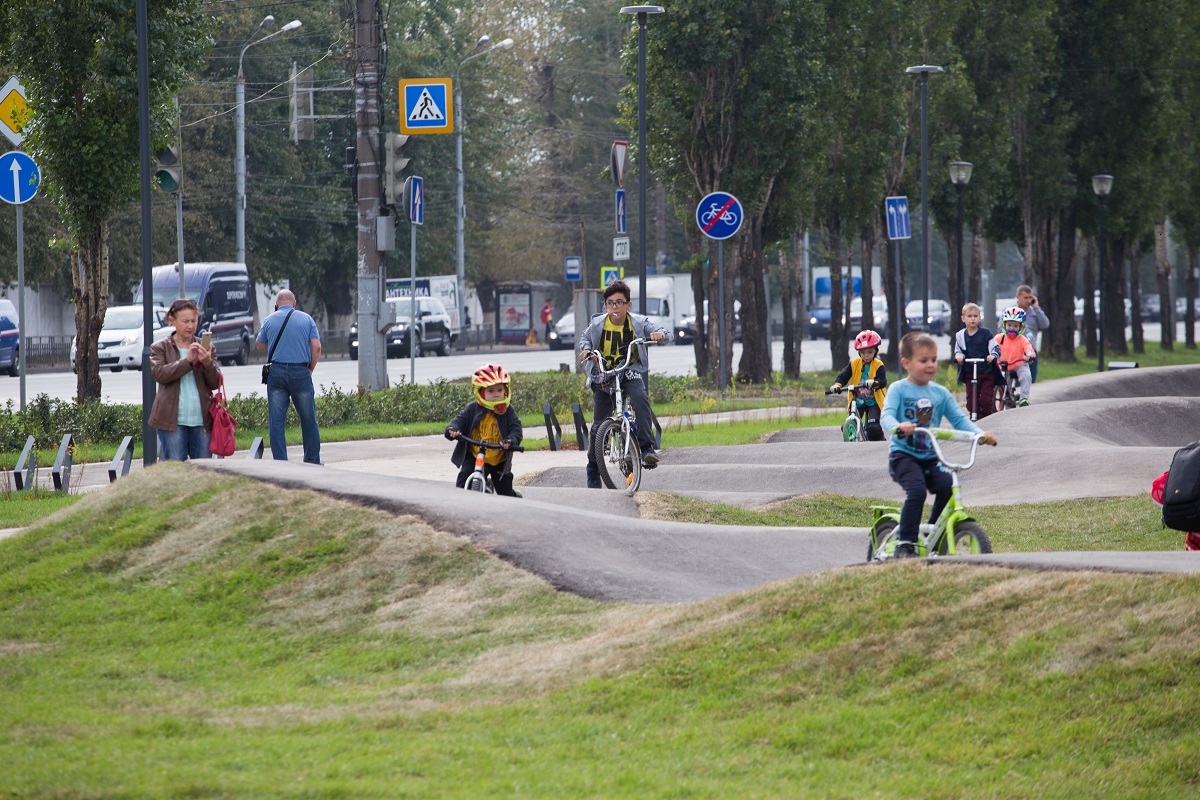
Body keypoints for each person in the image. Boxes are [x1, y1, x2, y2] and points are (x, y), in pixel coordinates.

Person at [881, 332, 998, 558]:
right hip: (903, 455)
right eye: (923, 360)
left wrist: (980, 434)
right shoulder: (898, 389)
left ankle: (932, 531)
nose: (930, 365)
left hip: (930, 456)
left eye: (933, 360)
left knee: (946, 487)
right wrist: (898, 426)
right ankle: (904, 543)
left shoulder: (940, 393)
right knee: (916, 492)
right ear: (906, 363)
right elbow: (886, 416)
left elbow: (960, 420)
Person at [579, 279, 672, 488]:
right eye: (610, 303)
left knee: (640, 398)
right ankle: (593, 468)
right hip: (604, 375)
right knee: (598, 426)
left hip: (629, 372)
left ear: (628, 305)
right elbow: (584, 339)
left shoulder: (638, 323)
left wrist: (659, 335)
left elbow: (667, 333)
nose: (614, 307)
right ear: (605, 306)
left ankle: (646, 448)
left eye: (619, 302)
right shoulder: (597, 324)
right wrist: (586, 350)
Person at [149, 298, 222, 461]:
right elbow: (160, 374)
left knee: (203, 471)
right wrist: (187, 361)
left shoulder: (206, 346)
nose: (190, 326)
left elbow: (215, 382)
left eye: (194, 321)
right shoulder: (160, 347)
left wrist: (207, 363)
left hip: (202, 420)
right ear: (172, 321)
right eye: (185, 321)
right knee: (175, 472)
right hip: (172, 421)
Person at [256, 290, 322, 464]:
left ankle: (280, 462)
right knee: (308, 418)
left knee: (276, 421)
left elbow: (260, 346)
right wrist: (310, 369)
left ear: (276, 305)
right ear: (294, 304)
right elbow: (316, 347)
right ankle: (312, 460)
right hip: (301, 372)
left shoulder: (269, 320)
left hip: (276, 373)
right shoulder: (307, 319)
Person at [445, 364, 524, 497]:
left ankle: (516, 496)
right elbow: (459, 420)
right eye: (491, 391)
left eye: (499, 390)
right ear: (480, 392)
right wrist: (452, 429)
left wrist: (510, 441)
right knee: (462, 483)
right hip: (475, 455)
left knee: (505, 494)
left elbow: (516, 429)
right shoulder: (472, 409)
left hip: (498, 459)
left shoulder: (508, 411)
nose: (496, 395)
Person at [829, 329, 888, 440]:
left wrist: (874, 383)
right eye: (863, 352)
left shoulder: (879, 365)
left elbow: (882, 381)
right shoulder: (854, 364)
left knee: (873, 428)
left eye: (870, 352)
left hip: (873, 401)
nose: (866, 355)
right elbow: (843, 376)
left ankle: (879, 439)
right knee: (850, 424)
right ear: (859, 352)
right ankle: (852, 439)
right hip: (857, 400)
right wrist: (837, 385)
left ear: (876, 351)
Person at [953, 302, 1000, 419]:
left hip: (986, 372)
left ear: (979, 317)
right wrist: (959, 357)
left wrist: (992, 355)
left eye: (975, 316)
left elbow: (995, 347)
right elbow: (958, 350)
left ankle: (987, 418)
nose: (972, 319)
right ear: (963, 318)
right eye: (969, 316)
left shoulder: (986, 333)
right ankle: (975, 417)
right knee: (970, 402)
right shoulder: (960, 335)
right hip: (970, 372)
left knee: (985, 399)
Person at [990, 306, 1036, 407]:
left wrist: (1029, 355)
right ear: (1004, 325)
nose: (1012, 328)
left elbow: (1028, 349)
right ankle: (999, 394)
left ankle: (1023, 399)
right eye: (1009, 325)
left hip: (1019, 364)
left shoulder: (1022, 339)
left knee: (1026, 376)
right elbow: (991, 346)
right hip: (1003, 364)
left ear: (1021, 327)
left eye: (1015, 326)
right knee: (998, 378)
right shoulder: (999, 338)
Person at [1016, 284, 1049, 382]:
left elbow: (1045, 324)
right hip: (1016, 351)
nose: (1028, 300)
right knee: (1018, 381)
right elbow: (1001, 328)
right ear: (1018, 297)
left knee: (1031, 380)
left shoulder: (1035, 312)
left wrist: (1037, 308)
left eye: (1030, 298)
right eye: (1025, 298)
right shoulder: (1011, 311)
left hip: (1031, 351)